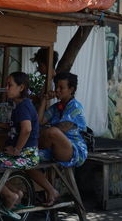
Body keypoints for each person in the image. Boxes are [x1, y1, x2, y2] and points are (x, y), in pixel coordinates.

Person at [27, 72, 88, 206]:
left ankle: (35, 146)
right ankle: (51, 190)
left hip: (74, 150)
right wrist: (44, 100)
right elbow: (39, 121)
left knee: (52, 131)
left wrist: (41, 133)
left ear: (71, 90)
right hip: (52, 148)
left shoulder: (75, 107)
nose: (57, 90)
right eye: (56, 87)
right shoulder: (56, 107)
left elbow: (60, 130)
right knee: (25, 158)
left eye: (61, 87)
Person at [0, 72, 39, 218]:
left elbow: (27, 129)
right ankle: (15, 193)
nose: (7, 88)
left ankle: (10, 196)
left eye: (10, 85)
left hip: (26, 155)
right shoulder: (21, 105)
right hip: (26, 153)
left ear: (21, 87)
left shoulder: (23, 106)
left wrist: (16, 149)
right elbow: (16, 127)